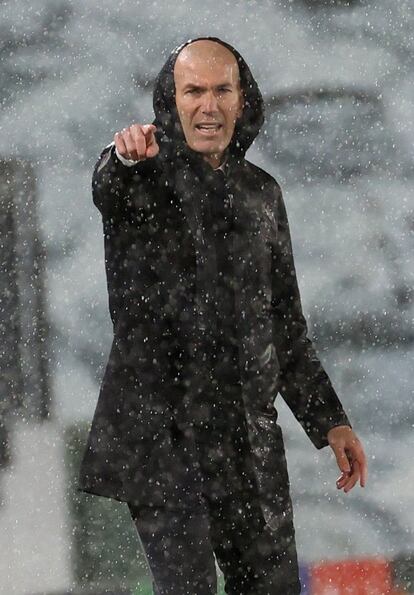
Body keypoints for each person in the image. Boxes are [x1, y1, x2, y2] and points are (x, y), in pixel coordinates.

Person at [79, 37, 367, 594]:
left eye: (221, 90)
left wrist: (328, 418)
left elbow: (285, 324)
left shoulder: (262, 194)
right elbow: (107, 184)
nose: (208, 106)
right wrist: (123, 155)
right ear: (172, 100)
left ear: (242, 99)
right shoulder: (143, 173)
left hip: (246, 439)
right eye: (193, 91)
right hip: (164, 441)